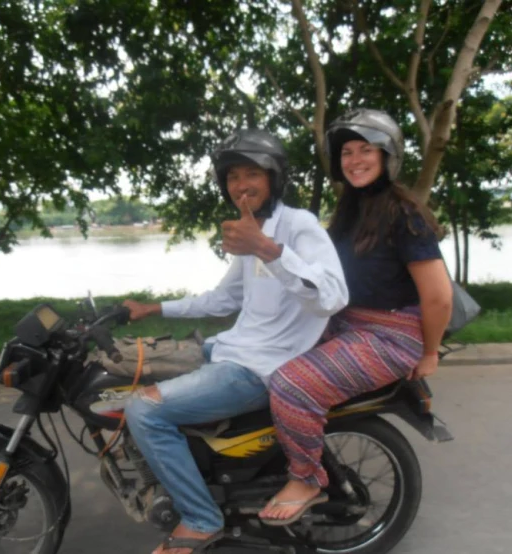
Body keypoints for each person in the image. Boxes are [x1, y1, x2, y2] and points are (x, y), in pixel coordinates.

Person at [123, 128, 349, 554]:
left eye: (251, 174)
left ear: (274, 177)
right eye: (231, 177)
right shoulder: (254, 231)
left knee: (144, 409)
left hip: (260, 368)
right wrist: (156, 309)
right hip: (231, 348)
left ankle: (201, 519)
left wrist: (267, 248)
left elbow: (334, 296)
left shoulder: (298, 226)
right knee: (132, 369)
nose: (241, 185)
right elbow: (225, 298)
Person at [258, 108, 453, 526]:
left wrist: (431, 353)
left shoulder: (404, 215)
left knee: (292, 383)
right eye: (347, 151)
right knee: (260, 354)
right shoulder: (349, 211)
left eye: (367, 149)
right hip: (348, 324)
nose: (355, 159)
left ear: (388, 156)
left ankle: (307, 479)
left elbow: (438, 297)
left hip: (390, 336)